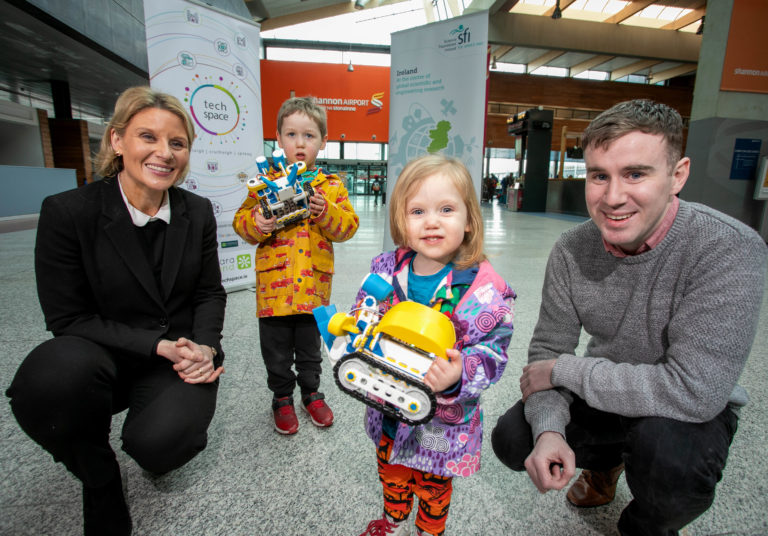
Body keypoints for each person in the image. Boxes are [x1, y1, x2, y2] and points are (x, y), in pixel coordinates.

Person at [491, 99, 768, 536]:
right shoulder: (572, 248)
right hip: (608, 387)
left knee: (671, 466)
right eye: (599, 175)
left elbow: (693, 391)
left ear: (678, 176)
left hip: (682, 410)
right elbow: (546, 350)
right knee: (514, 438)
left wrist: (566, 370)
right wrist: (548, 430)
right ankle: (606, 465)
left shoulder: (727, 248)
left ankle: (644, 524)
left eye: (635, 174)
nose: (613, 197)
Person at [6, 86, 226, 535]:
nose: (164, 153)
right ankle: (99, 475)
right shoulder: (69, 212)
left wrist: (205, 348)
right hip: (97, 354)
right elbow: (66, 318)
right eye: (149, 137)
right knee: (46, 382)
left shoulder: (198, 212)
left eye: (177, 143)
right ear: (117, 141)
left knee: (163, 445)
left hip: (175, 360)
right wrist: (156, 344)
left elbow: (209, 293)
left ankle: (150, 441)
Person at [357, 154, 516, 536]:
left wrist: (462, 371)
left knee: (433, 485)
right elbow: (361, 310)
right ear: (400, 220)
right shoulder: (385, 270)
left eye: (446, 209)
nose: (431, 221)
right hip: (389, 405)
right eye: (417, 211)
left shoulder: (484, 291)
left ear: (468, 221)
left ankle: (429, 529)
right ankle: (393, 519)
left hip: (441, 421)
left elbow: (494, 351)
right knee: (390, 471)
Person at [232, 96, 359, 435]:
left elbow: (348, 227)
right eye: (291, 135)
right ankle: (282, 398)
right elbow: (240, 223)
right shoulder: (264, 184)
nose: (300, 143)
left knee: (309, 349)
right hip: (273, 294)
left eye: (309, 135)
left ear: (323, 141)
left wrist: (324, 210)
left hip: (313, 289)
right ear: (278, 140)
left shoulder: (330, 186)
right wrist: (259, 222)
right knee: (274, 351)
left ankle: (312, 393)